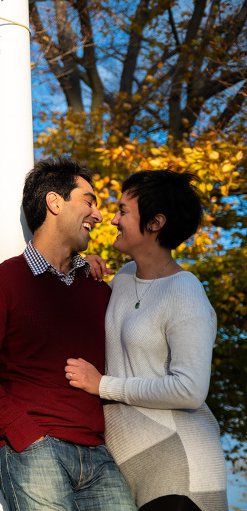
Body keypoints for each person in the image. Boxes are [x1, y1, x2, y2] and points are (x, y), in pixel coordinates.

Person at [0, 156, 135, 510]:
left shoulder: (100, 290)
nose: (98, 215)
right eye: (89, 201)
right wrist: (25, 434)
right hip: (34, 450)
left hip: (100, 456)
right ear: (55, 202)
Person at [65, 170, 228, 511]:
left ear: (155, 223)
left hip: (179, 471)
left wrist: (103, 385)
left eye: (123, 211)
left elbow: (190, 389)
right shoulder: (123, 277)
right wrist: (81, 266)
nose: (113, 219)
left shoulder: (186, 292)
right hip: (135, 467)